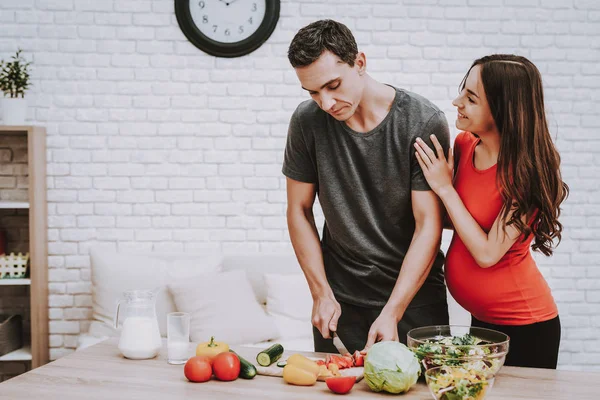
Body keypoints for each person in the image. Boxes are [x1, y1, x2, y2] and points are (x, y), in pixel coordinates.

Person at [282, 19, 451, 354]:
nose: (326, 103)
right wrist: (320, 293)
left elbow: (428, 224)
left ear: (359, 63)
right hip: (340, 302)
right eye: (313, 92)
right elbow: (299, 210)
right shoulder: (307, 121)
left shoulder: (421, 120)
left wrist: (394, 310)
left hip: (415, 301)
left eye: (333, 85)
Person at [414, 54, 568, 369]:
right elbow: (457, 219)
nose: (457, 102)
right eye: (462, 91)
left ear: (503, 109)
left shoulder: (527, 174)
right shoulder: (465, 144)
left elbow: (487, 253)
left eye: (471, 98)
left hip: (526, 326)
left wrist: (444, 188)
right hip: (483, 321)